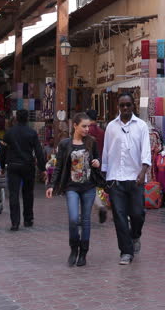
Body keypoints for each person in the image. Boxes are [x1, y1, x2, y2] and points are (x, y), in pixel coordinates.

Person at [102, 93, 151, 265]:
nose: (125, 108)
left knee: (137, 214)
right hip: (115, 178)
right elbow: (106, 151)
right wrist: (105, 175)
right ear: (118, 106)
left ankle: (135, 235)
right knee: (119, 216)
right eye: (122, 105)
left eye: (128, 105)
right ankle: (126, 252)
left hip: (135, 178)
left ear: (133, 106)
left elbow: (146, 150)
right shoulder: (111, 127)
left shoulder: (142, 126)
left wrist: (143, 171)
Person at [47, 113, 102, 266]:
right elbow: (58, 166)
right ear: (75, 126)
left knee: (85, 220)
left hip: (88, 186)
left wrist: (97, 162)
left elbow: (97, 160)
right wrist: (52, 185)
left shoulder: (92, 142)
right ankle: (73, 249)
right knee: (73, 219)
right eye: (84, 126)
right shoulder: (65, 144)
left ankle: (83, 252)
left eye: (88, 126)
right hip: (71, 186)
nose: (87, 129)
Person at [1, 110, 45, 231]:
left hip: (13, 165)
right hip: (28, 166)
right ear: (27, 119)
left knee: (14, 194)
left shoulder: (9, 133)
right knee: (28, 193)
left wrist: (1, 166)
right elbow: (39, 151)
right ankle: (28, 219)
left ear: (16, 118)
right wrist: (42, 168)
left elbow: (3, 151)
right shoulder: (32, 133)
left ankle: (15, 222)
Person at [85, 109, 108, 224]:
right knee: (97, 187)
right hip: (100, 162)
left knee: (87, 187)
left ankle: (98, 207)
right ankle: (101, 205)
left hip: (87, 163)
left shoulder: (86, 131)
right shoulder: (102, 131)